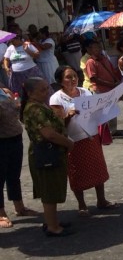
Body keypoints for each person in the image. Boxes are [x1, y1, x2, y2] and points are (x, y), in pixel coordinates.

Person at [50, 65, 116, 216]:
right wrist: (69, 115)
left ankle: (101, 200)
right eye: (68, 77)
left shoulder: (85, 92)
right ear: (60, 81)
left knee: (97, 168)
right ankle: (82, 204)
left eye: (74, 76)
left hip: (91, 135)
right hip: (73, 140)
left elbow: (95, 110)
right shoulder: (56, 98)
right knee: (76, 172)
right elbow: (58, 125)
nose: (73, 79)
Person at [21, 77, 74, 236]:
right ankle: (52, 227)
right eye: (42, 90)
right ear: (30, 93)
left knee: (53, 188)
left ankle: (53, 221)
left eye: (46, 88)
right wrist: (68, 143)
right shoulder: (34, 109)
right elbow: (48, 134)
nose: (46, 92)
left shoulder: (40, 105)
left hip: (51, 152)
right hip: (46, 153)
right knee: (49, 191)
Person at [0, 86, 37, 227]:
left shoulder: (4, 92)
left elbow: (16, 112)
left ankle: (19, 207)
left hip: (15, 137)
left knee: (14, 175)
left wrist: (17, 104)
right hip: (1, 141)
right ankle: (1, 213)